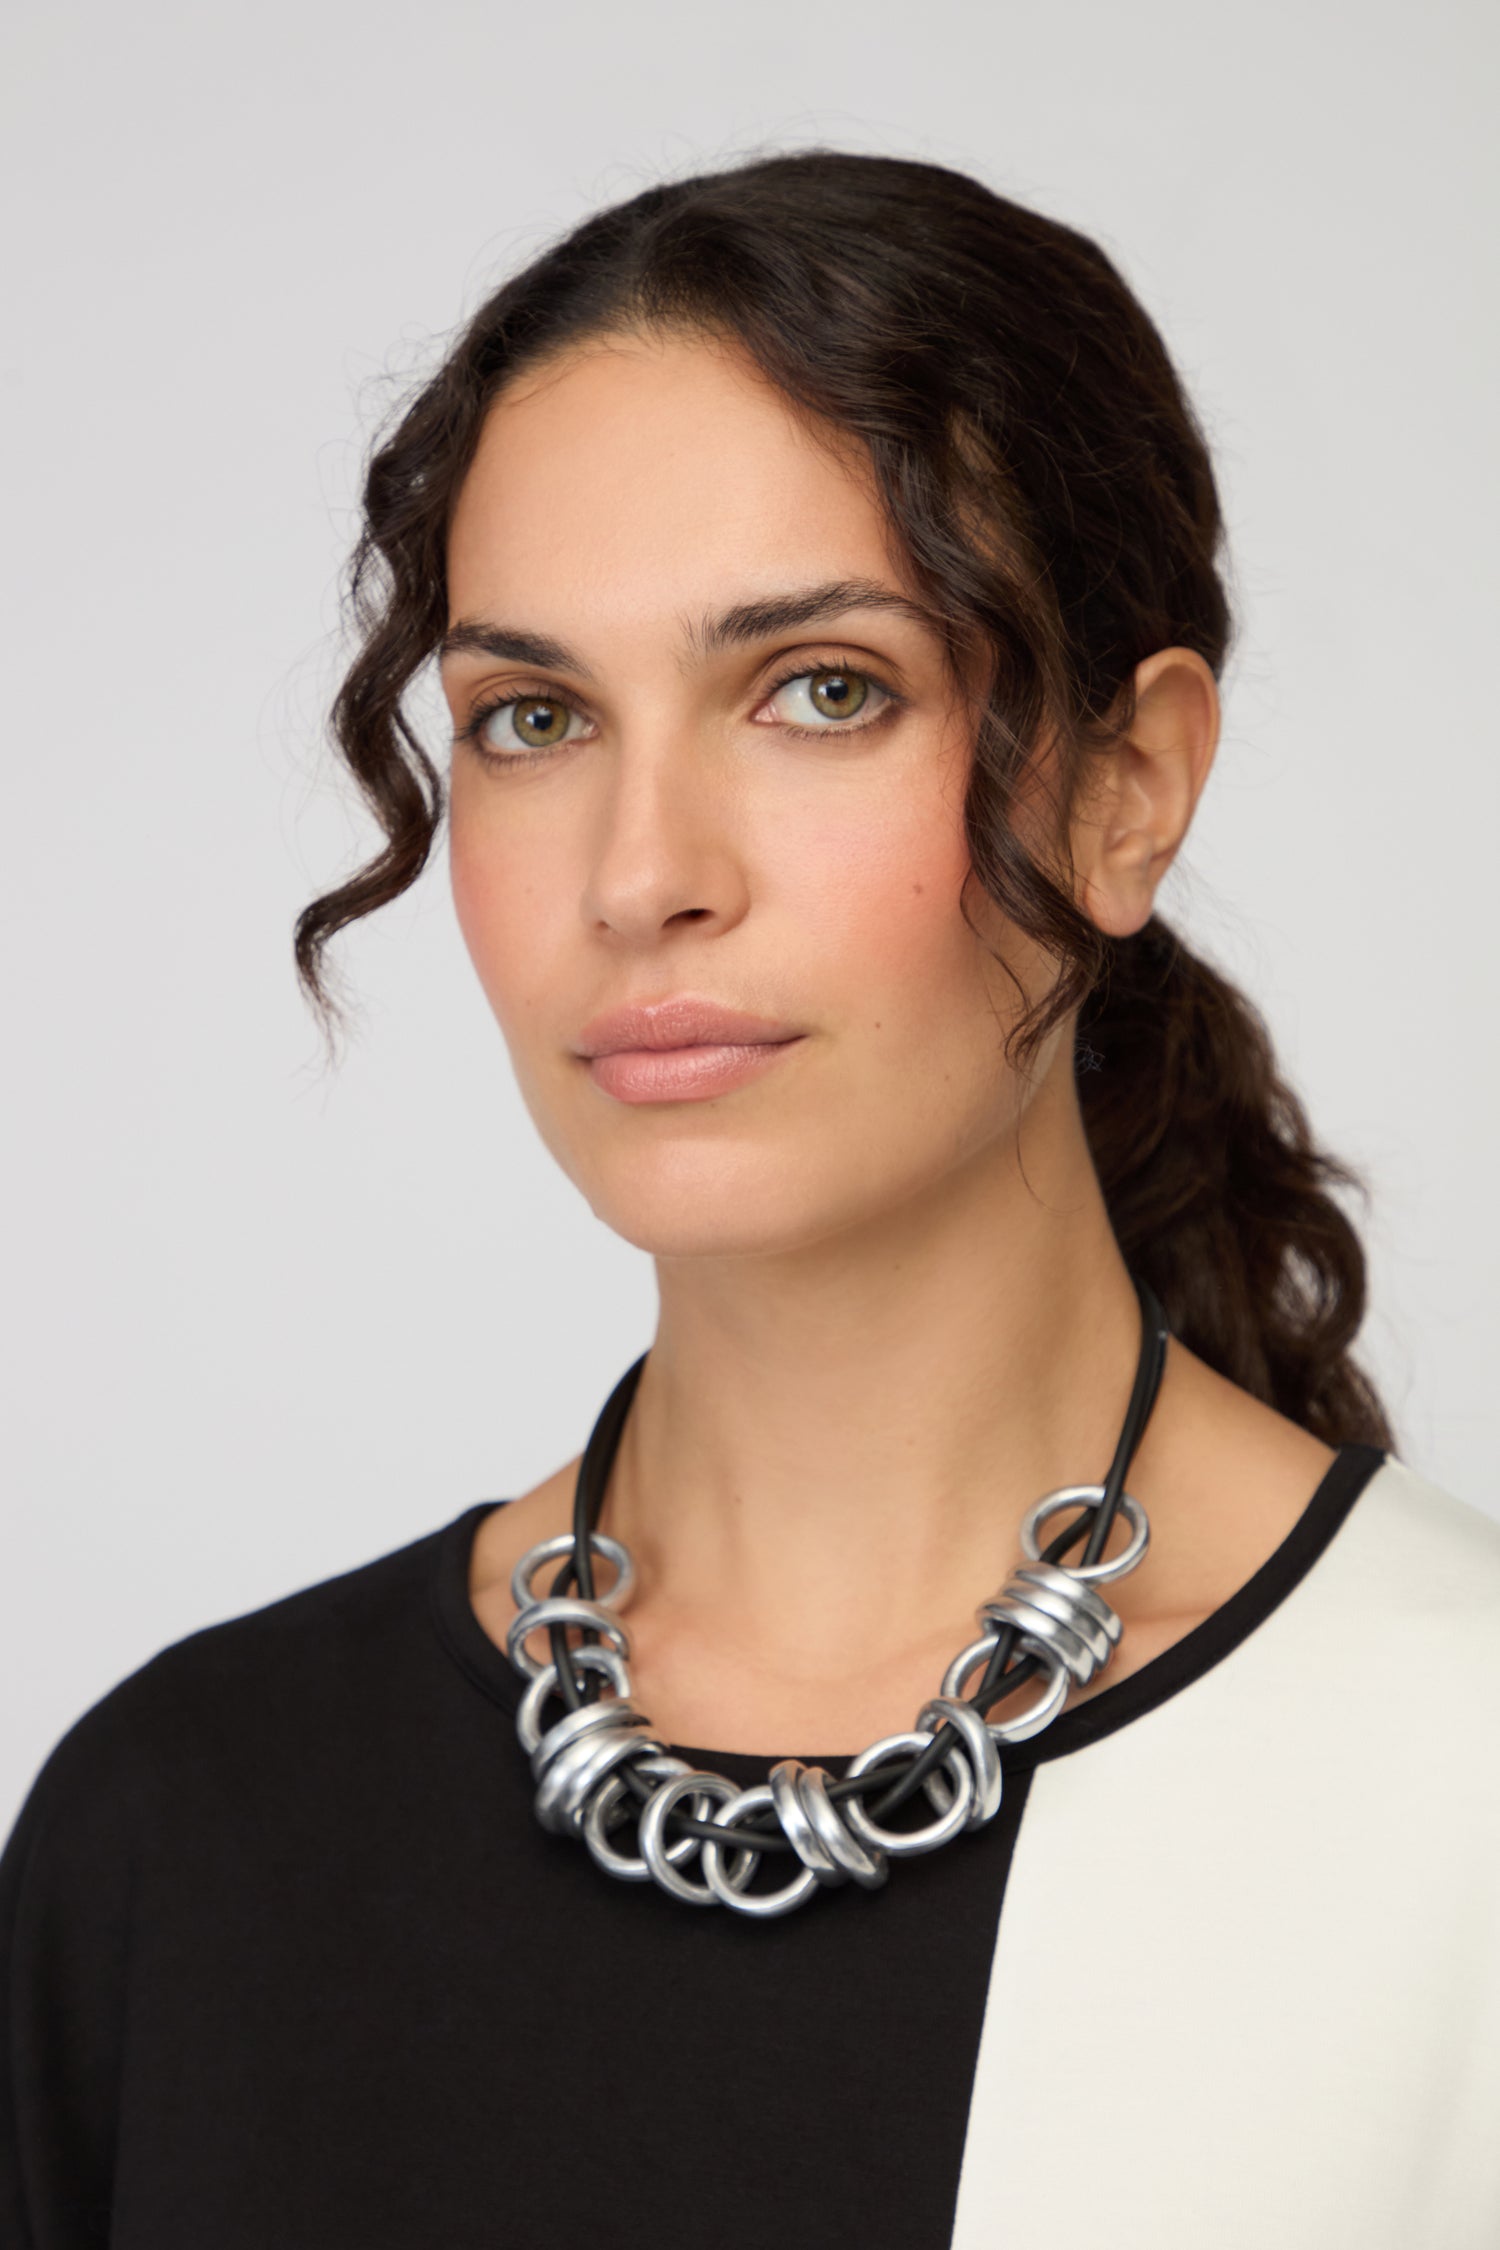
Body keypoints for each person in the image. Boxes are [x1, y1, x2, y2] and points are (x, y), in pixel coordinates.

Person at [3, 146, 1498, 2250]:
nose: (641, 873)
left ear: (1128, 788)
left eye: (820, 690)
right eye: (532, 719)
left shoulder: (1462, 1788)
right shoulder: (182, 1835)